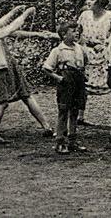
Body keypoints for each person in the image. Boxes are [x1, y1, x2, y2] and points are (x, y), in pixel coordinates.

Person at [0, 5, 55, 144]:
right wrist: (25, 15)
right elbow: (10, 28)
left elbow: (1, 23)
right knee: (2, 103)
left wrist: (13, 11)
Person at [42, 22, 89, 154]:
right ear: (63, 34)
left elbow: (85, 62)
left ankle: (72, 140)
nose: (76, 33)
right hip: (66, 83)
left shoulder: (80, 49)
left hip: (78, 82)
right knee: (63, 112)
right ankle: (60, 141)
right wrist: (59, 78)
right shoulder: (58, 51)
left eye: (77, 31)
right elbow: (47, 68)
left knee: (75, 110)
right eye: (73, 31)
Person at [76, 0, 111, 125]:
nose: (89, 2)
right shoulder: (84, 15)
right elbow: (79, 32)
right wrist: (83, 45)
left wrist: (105, 45)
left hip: (103, 53)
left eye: (92, 0)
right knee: (82, 85)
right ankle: (80, 116)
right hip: (86, 52)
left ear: (100, 2)